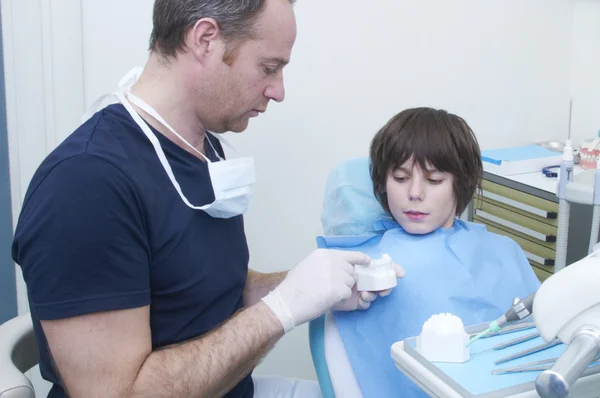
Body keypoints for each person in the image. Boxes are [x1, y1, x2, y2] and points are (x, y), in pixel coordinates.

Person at [10, 1, 403, 397]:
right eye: (269, 67)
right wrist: (282, 309)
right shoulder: (86, 185)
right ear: (204, 39)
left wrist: (309, 287)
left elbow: (203, 288)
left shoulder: (199, 149)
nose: (278, 91)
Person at [314, 107, 541, 396]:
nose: (415, 193)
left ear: (461, 183)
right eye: (400, 178)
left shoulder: (505, 250)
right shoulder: (365, 264)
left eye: (434, 180)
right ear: (382, 183)